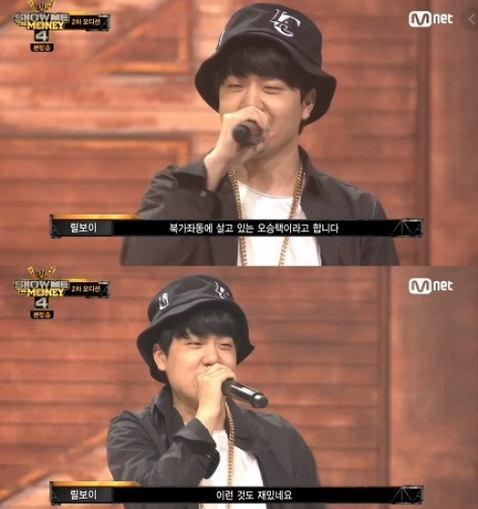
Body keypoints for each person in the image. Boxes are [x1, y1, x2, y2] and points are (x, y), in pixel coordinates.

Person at [121, 3, 399, 266]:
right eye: (235, 86)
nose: (251, 103)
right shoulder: (178, 190)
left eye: (271, 89)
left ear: (307, 103)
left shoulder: (358, 212)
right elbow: (139, 262)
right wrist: (217, 163)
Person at [107, 274, 325, 509]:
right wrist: (206, 417)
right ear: (161, 357)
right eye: (195, 344)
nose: (213, 358)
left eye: (225, 345)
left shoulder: (277, 434)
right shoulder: (133, 431)